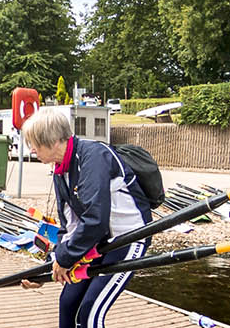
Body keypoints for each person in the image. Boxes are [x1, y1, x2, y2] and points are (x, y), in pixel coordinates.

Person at [19, 107, 152, 328]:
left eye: (35, 144)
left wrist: (65, 259)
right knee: (68, 303)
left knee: (90, 313)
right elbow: (70, 226)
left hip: (128, 238)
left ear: (53, 142)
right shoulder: (60, 170)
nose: (32, 150)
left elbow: (95, 219)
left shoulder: (93, 157)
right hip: (98, 240)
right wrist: (47, 267)